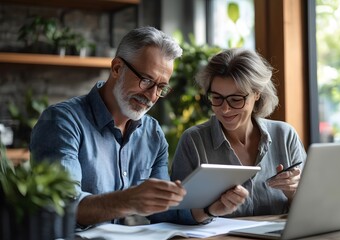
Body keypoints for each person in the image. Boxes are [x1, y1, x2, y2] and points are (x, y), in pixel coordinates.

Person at [30, 26, 248, 227]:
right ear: (117, 68)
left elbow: (164, 211)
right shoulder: (62, 122)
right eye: (146, 80)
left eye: (161, 87)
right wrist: (128, 200)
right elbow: (61, 208)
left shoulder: (152, 134)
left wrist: (210, 209)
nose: (152, 96)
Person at [171, 48, 307, 217]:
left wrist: (294, 193)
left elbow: (312, 209)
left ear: (257, 94)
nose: (225, 109)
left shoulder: (285, 135)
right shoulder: (194, 140)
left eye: (236, 99)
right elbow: (175, 213)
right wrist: (210, 210)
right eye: (217, 98)